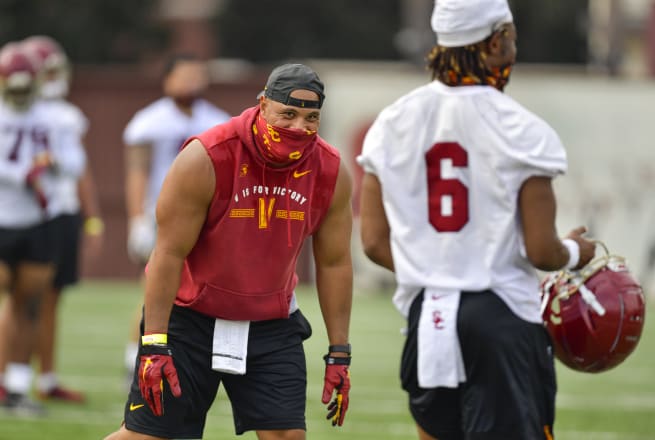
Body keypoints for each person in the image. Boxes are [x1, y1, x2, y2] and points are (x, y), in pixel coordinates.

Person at [357, 1, 596, 439]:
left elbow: (373, 241)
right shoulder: (522, 127)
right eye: (512, 38)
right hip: (498, 316)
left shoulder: (392, 121)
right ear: (495, 40)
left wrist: (436, 270)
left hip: (427, 315)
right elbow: (542, 251)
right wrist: (578, 251)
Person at [104, 63, 353, 440]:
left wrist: (339, 351)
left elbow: (334, 262)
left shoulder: (330, 168)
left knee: (288, 436)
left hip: (271, 322)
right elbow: (167, 254)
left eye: (311, 117)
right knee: (146, 436)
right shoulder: (207, 155)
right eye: (288, 113)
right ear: (263, 105)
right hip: (191, 319)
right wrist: (155, 341)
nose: (299, 127)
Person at [122, 54, 230, 379]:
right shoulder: (149, 121)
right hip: (163, 215)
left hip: (207, 217)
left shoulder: (218, 119)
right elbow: (137, 172)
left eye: (196, 76)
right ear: (167, 80)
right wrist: (137, 218)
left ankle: (198, 358)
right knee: (155, 287)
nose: (190, 83)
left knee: (206, 289)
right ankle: (134, 357)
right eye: (184, 76)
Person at [21, 34, 103, 403]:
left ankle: (46, 378)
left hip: (62, 213)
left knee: (52, 299)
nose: (54, 78)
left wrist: (92, 218)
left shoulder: (66, 116)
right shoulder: (15, 114)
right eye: (47, 71)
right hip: (26, 216)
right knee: (21, 298)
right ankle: (13, 375)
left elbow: (79, 170)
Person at [0, 42, 62, 414]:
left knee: (31, 304)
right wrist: (19, 174)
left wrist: (50, 167)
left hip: (39, 221)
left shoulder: (55, 117)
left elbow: (73, 163)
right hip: (2, 219)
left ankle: (18, 385)